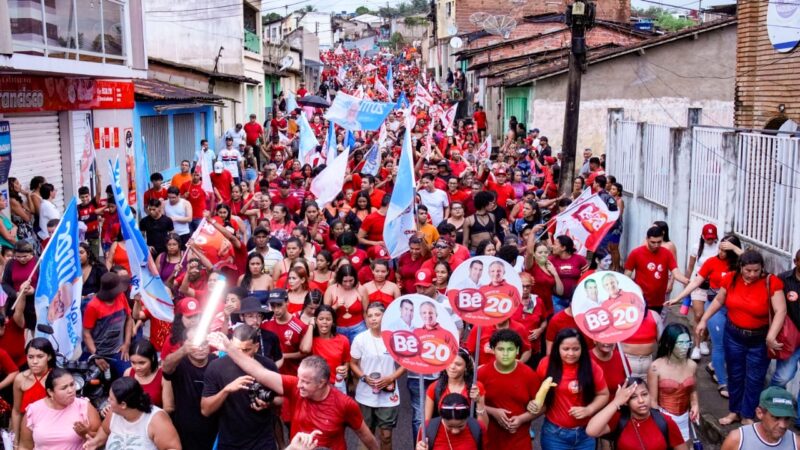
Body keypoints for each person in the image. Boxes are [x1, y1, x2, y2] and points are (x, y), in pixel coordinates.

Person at [206, 332, 380, 450]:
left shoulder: (345, 404)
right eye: (299, 379)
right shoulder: (294, 386)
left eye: (306, 382)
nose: (299, 385)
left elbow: (366, 437)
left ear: (322, 383)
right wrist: (228, 347)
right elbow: (259, 372)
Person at [697, 249, 786, 426]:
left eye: (756, 270)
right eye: (748, 270)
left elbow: (780, 310)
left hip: (759, 339)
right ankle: (734, 412)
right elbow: (718, 301)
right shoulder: (731, 278)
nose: (752, 274)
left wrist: (771, 335)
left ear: (762, 268)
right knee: (735, 375)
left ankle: (747, 414)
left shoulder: (771, 282)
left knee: (755, 378)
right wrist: (704, 320)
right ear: (740, 267)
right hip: (734, 336)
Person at [667, 234, 742, 399]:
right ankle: (723, 382)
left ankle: (714, 366)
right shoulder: (711, 262)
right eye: (719, 249)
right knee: (719, 344)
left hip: (736, 309)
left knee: (732, 345)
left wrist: (736, 249)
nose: (720, 252)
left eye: (725, 250)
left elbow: (755, 264)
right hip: (715, 307)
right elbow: (695, 282)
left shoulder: (741, 264)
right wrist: (678, 298)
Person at [201, 325, 280, 450]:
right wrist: (226, 390)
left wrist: (268, 403)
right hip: (230, 442)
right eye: (236, 349)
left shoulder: (268, 365)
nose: (240, 354)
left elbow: (282, 399)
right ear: (230, 344)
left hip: (262, 441)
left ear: (256, 347)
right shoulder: (216, 367)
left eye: (246, 350)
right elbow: (206, 410)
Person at [536, 328, 609, 450]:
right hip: (554, 434)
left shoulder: (591, 366)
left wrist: (589, 409)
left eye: (576, 349)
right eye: (566, 349)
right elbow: (536, 392)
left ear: (582, 349)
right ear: (557, 348)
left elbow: (603, 394)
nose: (571, 353)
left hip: (585, 434)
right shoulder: (546, 364)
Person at [350, 302, 406, 450]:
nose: (373, 319)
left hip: (389, 394)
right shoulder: (360, 339)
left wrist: (390, 378)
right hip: (365, 394)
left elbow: (405, 364)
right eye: (369, 316)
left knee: (386, 436)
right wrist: (364, 377)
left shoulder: (395, 337)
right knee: (366, 435)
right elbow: (353, 364)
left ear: (385, 316)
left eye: (377, 315)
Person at [478, 328, 541, 449]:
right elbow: (472, 403)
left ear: (517, 350)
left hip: (520, 440)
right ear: (493, 350)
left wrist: (522, 419)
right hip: (491, 441)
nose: (505, 354)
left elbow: (542, 406)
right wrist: (493, 411)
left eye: (510, 349)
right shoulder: (482, 374)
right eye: (501, 349)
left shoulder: (528, 374)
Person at [586, 377, 687, 450]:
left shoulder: (665, 421)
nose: (641, 400)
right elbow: (591, 431)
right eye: (634, 397)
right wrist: (616, 402)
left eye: (644, 394)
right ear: (626, 401)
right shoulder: (619, 419)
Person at [83, 377, 181, 450]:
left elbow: (172, 448)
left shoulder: (157, 420)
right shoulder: (113, 414)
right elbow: (104, 431)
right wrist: (95, 443)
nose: (108, 400)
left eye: (111, 399)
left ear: (123, 405)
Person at [162, 328, 219, 450]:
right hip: (186, 431)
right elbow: (166, 368)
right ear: (185, 344)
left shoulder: (216, 362)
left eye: (204, 343)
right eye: (196, 344)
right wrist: (182, 351)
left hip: (213, 428)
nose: (201, 348)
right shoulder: (178, 363)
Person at [17, 368, 101, 450]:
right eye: (64, 388)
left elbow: (101, 439)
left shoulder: (84, 406)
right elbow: (24, 446)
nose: (70, 390)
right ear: (50, 392)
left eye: (72, 384)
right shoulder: (34, 410)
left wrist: (86, 433)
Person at [647, 323, 698, 444]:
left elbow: (693, 390)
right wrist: (660, 423)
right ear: (668, 343)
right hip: (664, 417)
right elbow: (653, 401)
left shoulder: (692, 365)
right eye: (680, 343)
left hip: (684, 417)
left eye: (688, 343)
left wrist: (695, 404)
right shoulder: (655, 367)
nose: (685, 347)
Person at [625, 225, 690, 313]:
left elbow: (676, 273)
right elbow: (627, 276)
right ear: (647, 239)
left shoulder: (667, 253)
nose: (656, 245)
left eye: (659, 242)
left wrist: (688, 282)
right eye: (653, 242)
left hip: (658, 301)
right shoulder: (636, 253)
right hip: (640, 298)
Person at [82, 272, 133, 379]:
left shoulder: (121, 296)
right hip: (97, 351)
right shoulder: (93, 306)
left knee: (129, 376)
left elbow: (129, 319)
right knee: (85, 380)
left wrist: (127, 343)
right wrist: (96, 356)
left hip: (118, 351)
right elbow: (86, 334)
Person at [770, 249, 800, 424]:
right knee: (783, 376)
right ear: (796, 262)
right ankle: (772, 408)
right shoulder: (783, 279)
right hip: (790, 338)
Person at [721, 386, 800, 450]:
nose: (783, 425)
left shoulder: (796, 444)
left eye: (787, 418)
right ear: (759, 413)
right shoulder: (736, 439)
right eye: (776, 417)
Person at [11, 338, 56, 447]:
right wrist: (15, 440)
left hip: (51, 433)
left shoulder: (57, 378)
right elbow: (16, 411)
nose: (34, 361)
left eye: (40, 356)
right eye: (30, 357)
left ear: (49, 357)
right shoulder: (20, 379)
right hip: (26, 434)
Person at [425, 347, 487, 424]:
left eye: (458, 364)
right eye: (449, 362)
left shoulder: (475, 387)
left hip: (468, 431)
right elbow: (426, 424)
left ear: (466, 367)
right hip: (442, 431)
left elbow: (483, 426)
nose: (452, 367)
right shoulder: (434, 388)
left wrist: (479, 402)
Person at [299, 304, 350, 392]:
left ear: (333, 322)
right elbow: (305, 349)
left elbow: (347, 361)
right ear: (316, 320)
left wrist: (345, 369)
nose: (324, 322)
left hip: (336, 386)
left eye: (328, 319)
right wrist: (311, 325)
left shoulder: (343, 340)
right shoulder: (311, 340)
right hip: (316, 386)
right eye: (321, 319)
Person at [261, 289, 309, 376]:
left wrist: (283, 356)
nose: (276, 310)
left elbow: (304, 353)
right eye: (273, 306)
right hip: (271, 375)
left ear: (287, 302)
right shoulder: (265, 324)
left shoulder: (299, 327)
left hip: (291, 374)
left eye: (279, 305)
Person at [417, 393, 488, 450]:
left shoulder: (478, 427)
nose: (455, 431)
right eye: (450, 426)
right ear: (442, 418)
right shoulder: (427, 428)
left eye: (460, 426)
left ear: (467, 418)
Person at [325, 264, 369, 343]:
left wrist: (370, 331)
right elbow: (324, 313)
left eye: (351, 280)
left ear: (355, 278)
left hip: (359, 328)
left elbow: (366, 312)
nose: (348, 284)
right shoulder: (331, 290)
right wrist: (335, 306)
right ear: (339, 279)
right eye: (345, 281)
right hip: (338, 329)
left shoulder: (361, 290)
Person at [124, 340, 171, 411]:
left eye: (142, 363)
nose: (137, 368)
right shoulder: (128, 373)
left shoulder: (163, 376)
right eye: (133, 362)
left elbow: (168, 408)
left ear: (152, 358)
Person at [549, 235, 587, 313]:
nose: (552, 246)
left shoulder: (580, 259)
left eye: (555, 244)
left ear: (563, 248)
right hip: (557, 299)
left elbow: (586, 276)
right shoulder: (551, 260)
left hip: (576, 299)